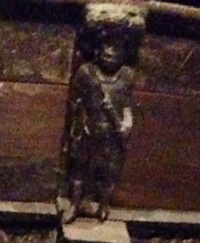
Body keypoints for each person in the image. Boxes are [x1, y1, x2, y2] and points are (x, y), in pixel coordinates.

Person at [64, 5, 144, 222]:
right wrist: (78, 127)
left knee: (109, 170)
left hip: (111, 133)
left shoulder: (126, 76)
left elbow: (127, 105)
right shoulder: (86, 72)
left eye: (116, 46)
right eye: (106, 45)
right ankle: (75, 203)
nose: (110, 52)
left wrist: (126, 123)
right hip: (88, 130)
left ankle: (104, 205)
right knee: (79, 167)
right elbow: (76, 102)